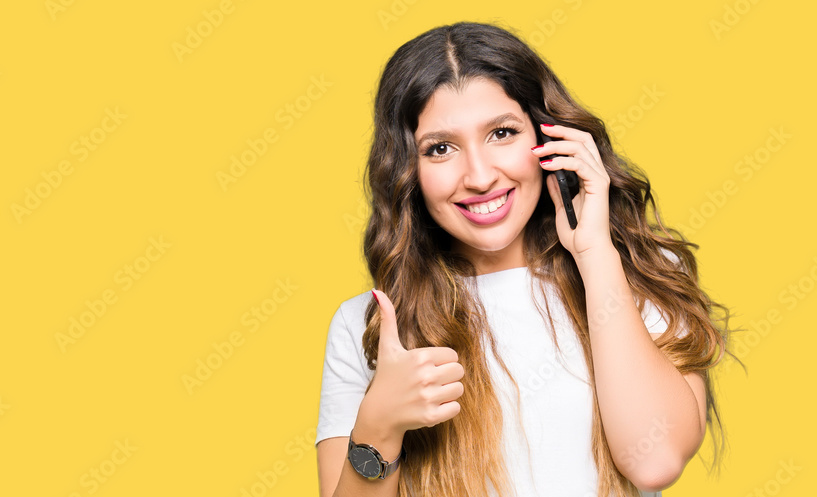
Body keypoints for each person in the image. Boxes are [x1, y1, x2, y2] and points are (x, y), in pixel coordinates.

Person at [314, 21, 736, 497]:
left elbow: (654, 461)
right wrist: (379, 427)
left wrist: (595, 252)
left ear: (548, 138)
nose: (479, 176)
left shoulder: (636, 273)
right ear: (407, 171)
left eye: (501, 133)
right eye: (441, 148)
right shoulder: (365, 326)